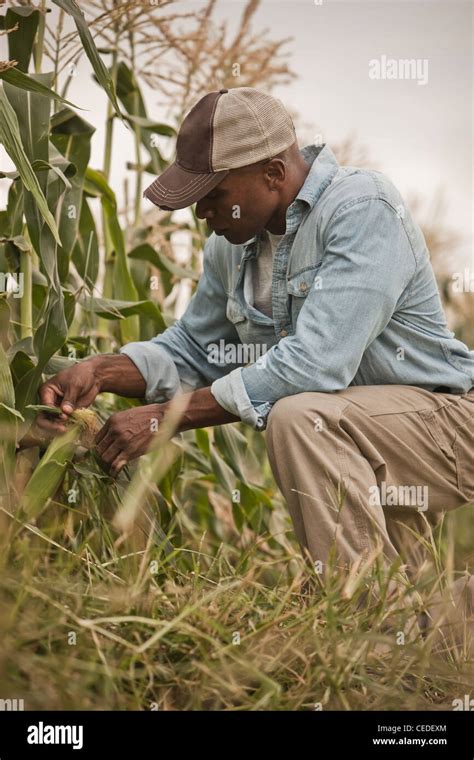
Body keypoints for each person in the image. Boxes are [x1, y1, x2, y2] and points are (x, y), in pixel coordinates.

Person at [37, 87, 474, 650]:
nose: (201, 213)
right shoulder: (231, 246)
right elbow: (195, 348)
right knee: (428, 624)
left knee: (300, 419)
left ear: (272, 173)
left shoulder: (362, 208)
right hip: (366, 441)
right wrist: (100, 370)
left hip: (447, 425)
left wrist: (165, 419)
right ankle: (423, 642)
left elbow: (316, 364)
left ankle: (369, 639)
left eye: (215, 194)